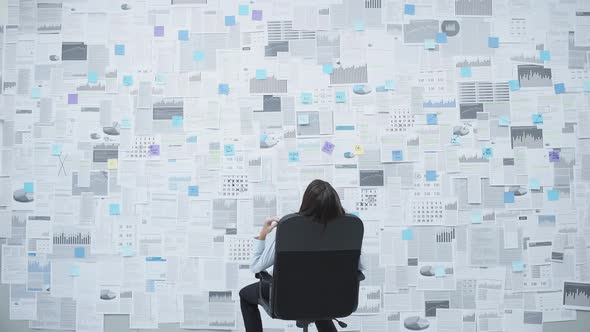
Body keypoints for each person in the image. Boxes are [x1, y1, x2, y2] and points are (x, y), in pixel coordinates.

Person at [239, 179, 365, 332]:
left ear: (306, 203)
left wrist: (262, 235)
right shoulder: (349, 230)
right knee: (320, 299)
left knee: (245, 295)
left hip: (289, 298)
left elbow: (255, 266)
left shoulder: (289, 229)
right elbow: (361, 267)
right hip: (331, 298)